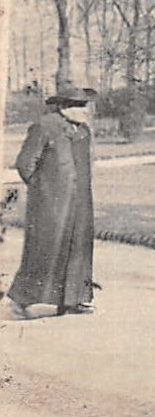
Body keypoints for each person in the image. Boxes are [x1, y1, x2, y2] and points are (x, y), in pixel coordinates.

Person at [6, 84, 98, 319]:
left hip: (80, 203)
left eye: (85, 106)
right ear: (66, 107)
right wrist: (43, 190)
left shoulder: (82, 131)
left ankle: (74, 299)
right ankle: (22, 299)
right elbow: (25, 164)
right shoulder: (44, 127)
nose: (85, 111)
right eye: (80, 106)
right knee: (45, 248)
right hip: (50, 203)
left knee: (78, 248)